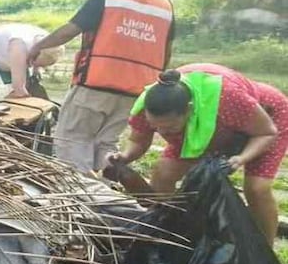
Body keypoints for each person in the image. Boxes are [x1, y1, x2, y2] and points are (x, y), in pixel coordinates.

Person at [27, 0, 175, 173]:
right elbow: (167, 50)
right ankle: (106, 195)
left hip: (96, 84)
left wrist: (38, 46)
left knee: (73, 140)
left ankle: (81, 198)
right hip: (136, 91)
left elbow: (70, 30)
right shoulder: (164, 5)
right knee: (106, 143)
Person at [109, 64, 288, 245]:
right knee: (163, 173)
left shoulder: (228, 99)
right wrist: (125, 157)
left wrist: (241, 159)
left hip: (265, 121)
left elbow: (267, 133)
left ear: (189, 109)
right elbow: (138, 141)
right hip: (205, 131)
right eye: (156, 127)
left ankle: (265, 249)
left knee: (257, 188)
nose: (164, 132)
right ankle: (174, 235)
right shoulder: (149, 105)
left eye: (169, 127)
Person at [0, 24, 64, 104]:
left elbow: (39, 57)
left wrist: (36, 70)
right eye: (34, 64)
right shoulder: (19, 45)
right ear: (34, 54)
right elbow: (19, 88)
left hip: (9, 51)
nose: (32, 65)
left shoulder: (48, 41)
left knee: (27, 84)